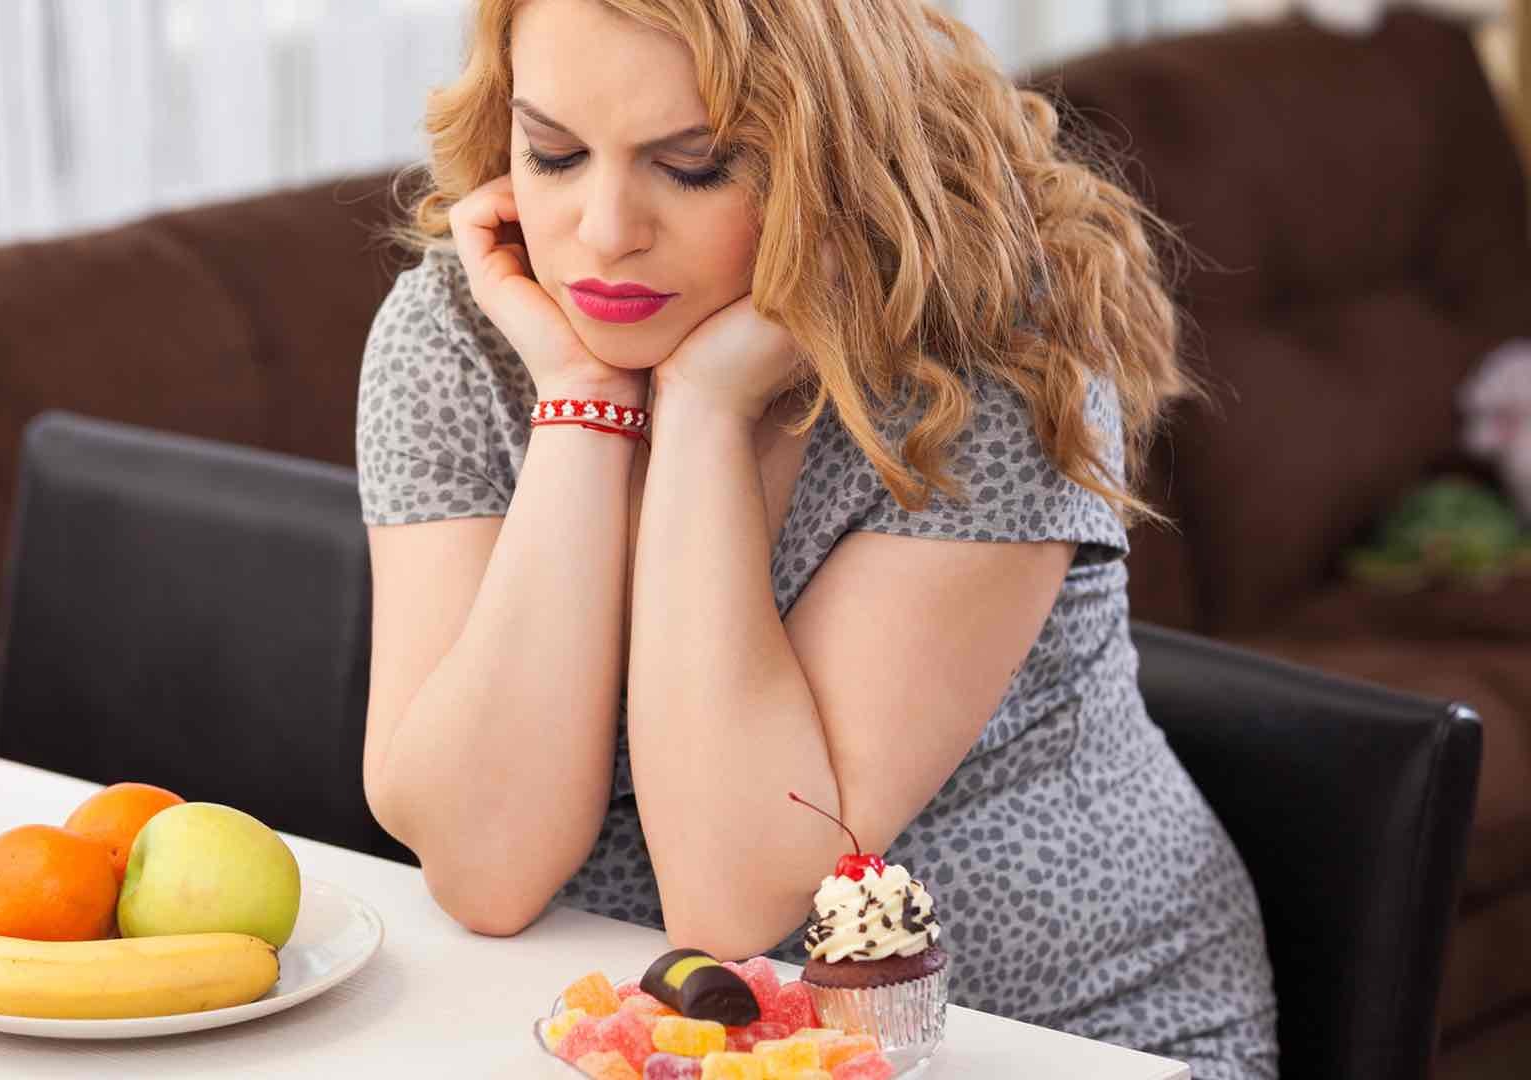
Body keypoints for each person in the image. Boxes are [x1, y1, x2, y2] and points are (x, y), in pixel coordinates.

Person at [354, 1, 1278, 1075]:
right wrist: (582, 398)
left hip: (1051, 1036)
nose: (603, 232)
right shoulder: (466, 332)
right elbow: (485, 869)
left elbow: (738, 892)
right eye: (554, 152)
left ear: (835, 157)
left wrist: (701, 410)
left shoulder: (989, 358)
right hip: (672, 1044)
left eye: (694, 166)